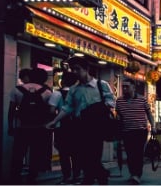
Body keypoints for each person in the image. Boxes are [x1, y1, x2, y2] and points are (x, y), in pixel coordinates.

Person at [47, 57, 115, 185]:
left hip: (96, 126)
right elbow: (67, 107)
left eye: (78, 69)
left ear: (86, 69)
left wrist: (97, 109)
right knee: (82, 156)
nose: (75, 72)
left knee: (94, 156)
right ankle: (100, 174)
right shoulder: (74, 89)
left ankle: (91, 179)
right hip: (79, 126)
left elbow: (111, 102)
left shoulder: (101, 85)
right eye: (73, 69)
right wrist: (54, 121)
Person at [8, 67, 56, 183]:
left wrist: (10, 126)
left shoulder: (17, 90)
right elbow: (51, 112)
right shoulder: (47, 92)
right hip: (39, 129)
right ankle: (31, 178)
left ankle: (16, 177)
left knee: (19, 153)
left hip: (22, 128)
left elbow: (11, 111)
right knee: (36, 154)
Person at [115, 79, 154, 185]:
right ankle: (133, 174)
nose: (124, 89)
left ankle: (137, 175)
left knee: (138, 153)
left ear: (133, 88)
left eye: (127, 86)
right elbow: (118, 117)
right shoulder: (119, 101)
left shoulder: (142, 100)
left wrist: (153, 126)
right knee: (129, 154)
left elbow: (149, 114)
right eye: (123, 86)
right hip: (126, 131)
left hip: (140, 131)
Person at [53, 71, 82, 185]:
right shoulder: (80, 94)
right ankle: (76, 176)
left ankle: (66, 177)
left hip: (62, 127)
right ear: (76, 82)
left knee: (63, 154)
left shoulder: (57, 94)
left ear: (62, 81)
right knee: (76, 153)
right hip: (77, 128)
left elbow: (51, 110)